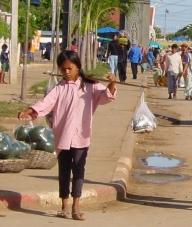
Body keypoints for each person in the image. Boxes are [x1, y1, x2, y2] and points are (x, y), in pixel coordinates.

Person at [17, 50, 117, 220]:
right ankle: (64, 206)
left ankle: (76, 207)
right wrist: (30, 110)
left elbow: (106, 96)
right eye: (63, 70)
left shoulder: (90, 86)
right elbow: (46, 103)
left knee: (78, 170)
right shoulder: (59, 88)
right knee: (64, 171)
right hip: (62, 135)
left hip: (81, 136)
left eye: (70, 68)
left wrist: (112, 84)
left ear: (78, 67)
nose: (66, 72)